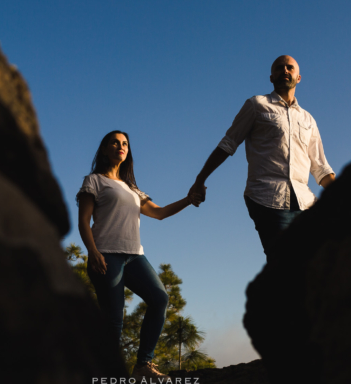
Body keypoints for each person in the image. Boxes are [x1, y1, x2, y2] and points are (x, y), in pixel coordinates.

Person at [76, 130, 199, 380]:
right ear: (104, 149)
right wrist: (93, 252)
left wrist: (189, 199)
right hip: (106, 254)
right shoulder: (94, 180)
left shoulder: (132, 188)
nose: (121, 146)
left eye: (125, 144)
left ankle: (143, 366)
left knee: (160, 299)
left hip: (134, 256)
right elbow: (83, 221)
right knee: (113, 320)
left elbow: (160, 213)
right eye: (115, 142)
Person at [188, 55, 335, 255]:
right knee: (284, 262)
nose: (285, 70)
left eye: (290, 68)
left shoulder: (308, 119)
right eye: (279, 68)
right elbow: (228, 143)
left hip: (305, 203)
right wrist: (200, 179)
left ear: (298, 77)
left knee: (315, 262)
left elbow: (320, 167)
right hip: (267, 198)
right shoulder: (257, 105)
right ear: (271, 77)